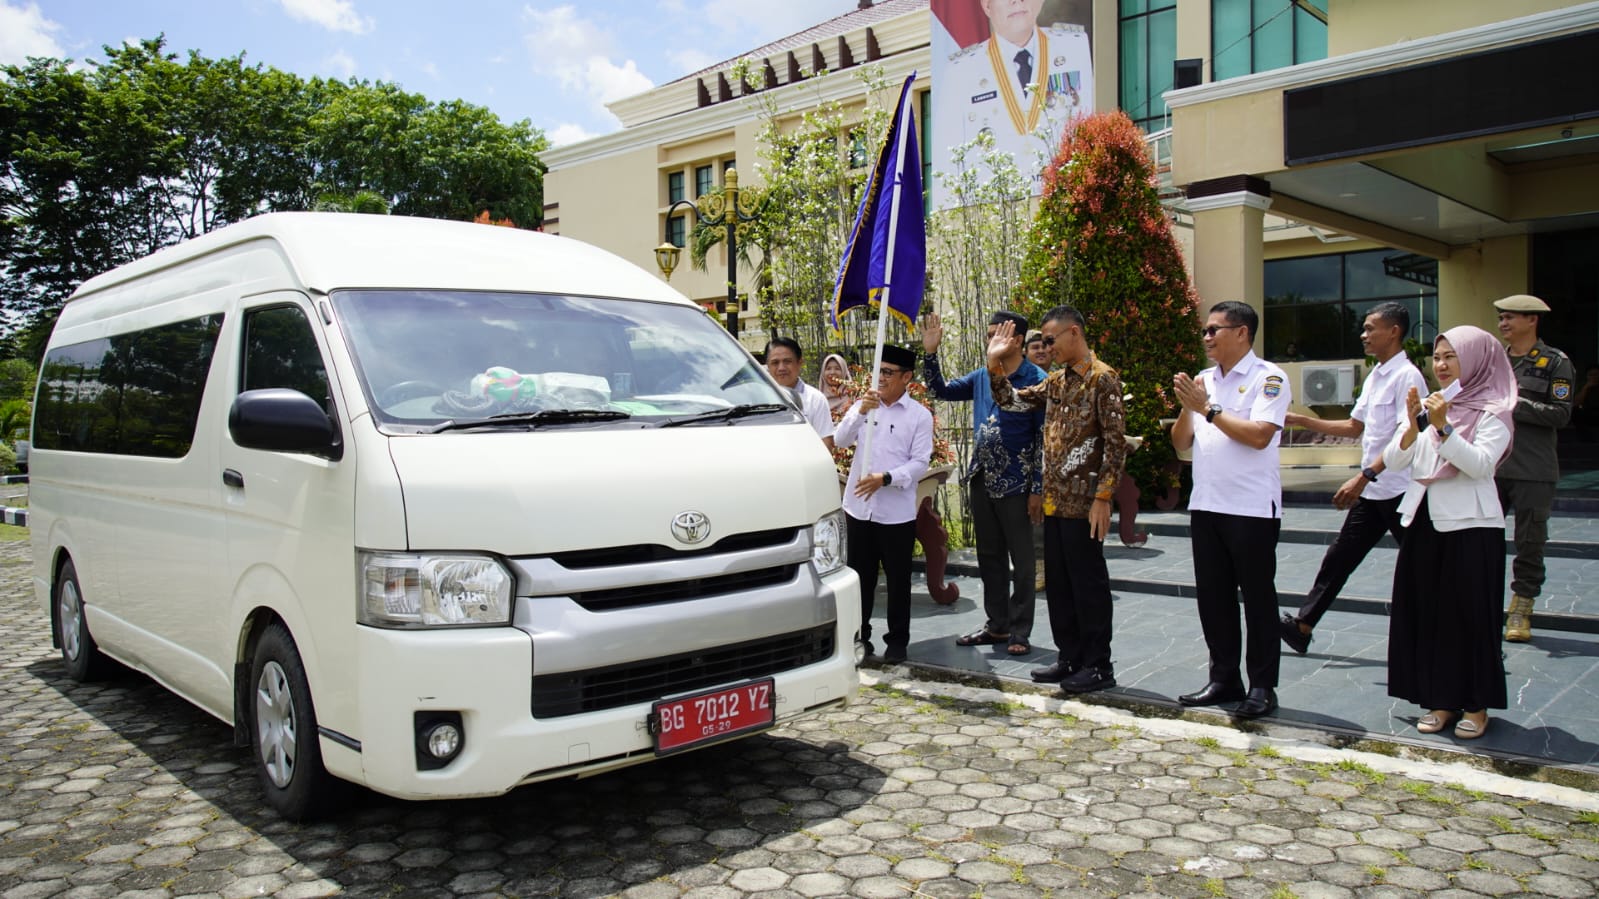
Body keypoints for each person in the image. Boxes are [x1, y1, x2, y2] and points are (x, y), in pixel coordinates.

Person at [1384, 326, 1516, 739]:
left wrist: (1444, 428)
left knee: (1470, 619)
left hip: (1471, 527)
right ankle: (1439, 700)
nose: (1440, 365)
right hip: (1425, 523)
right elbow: (1393, 460)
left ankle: (1475, 706)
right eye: (1437, 357)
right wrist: (1412, 427)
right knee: (1429, 615)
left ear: (1476, 359)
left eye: (1450, 357)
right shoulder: (1433, 405)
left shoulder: (1495, 410)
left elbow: (1480, 465)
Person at [987, 308, 1126, 694]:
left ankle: (1098, 665)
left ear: (1074, 333)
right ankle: (1070, 657)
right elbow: (1012, 402)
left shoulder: (1102, 378)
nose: (1046, 348)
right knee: (1061, 587)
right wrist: (994, 363)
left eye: (1051, 340)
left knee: (1088, 586)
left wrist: (1103, 497)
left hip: (1085, 504)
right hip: (1055, 502)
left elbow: (1115, 444)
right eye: (1043, 341)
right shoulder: (1057, 381)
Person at [1280, 303, 1429, 654]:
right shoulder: (1376, 375)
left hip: (1402, 492)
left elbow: (1405, 439)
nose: (1363, 335)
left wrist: (1363, 477)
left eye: (1370, 328)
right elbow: (1354, 426)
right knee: (1339, 558)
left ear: (1394, 331)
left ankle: (1468, 633)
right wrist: (1303, 421)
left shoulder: (1408, 377)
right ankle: (1303, 626)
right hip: (1374, 492)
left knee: (1427, 566)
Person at [1170, 301, 1290, 719]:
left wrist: (1208, 408)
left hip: (1250, 508)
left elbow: (1259, 436)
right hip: (1207, 504)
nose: (1206, 337)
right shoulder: (1203, 381)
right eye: (1205, 330)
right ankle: (1223, 678)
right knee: (1214, 598)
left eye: (1214, 330)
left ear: (1242, 333)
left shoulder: (1268, 377)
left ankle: (1262, 686)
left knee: (1257, 599)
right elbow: (1180, 443)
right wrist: (1189, 405)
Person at [922, 310, 1046, 656]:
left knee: (1022, 560)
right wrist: (930, 353)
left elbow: (1043, 439)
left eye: (998, 334)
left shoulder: (1036, 378)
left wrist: (1038, 488)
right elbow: (940, 391)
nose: (990, 340)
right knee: (989, 557)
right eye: (989, 334)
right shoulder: (981, 376)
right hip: (982, 477)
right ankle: (998, 625)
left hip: (1018, 483)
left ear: (1017, 340)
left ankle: (1020, 630)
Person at [833, 344, 934, 663]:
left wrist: (887, 478)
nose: (881, 378)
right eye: (878, 371)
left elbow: (920, 462)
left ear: (906, 377)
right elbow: (840, 440)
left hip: (896, 513)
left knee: (898, 580)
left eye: (888, 373)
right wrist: (860, 411)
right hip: (859, 509)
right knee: (859, 578)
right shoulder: (864, 406)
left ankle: (898, 641)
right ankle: (859, 637)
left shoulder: (919, 416)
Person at [939, 0, 1093, 191]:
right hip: (996, 203)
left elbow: (1089, 128)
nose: (1016, 1)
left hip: (1065, 196)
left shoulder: (1074, 47)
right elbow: (949, 168)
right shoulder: (961, 71)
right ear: (987, 5)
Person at [1493, 294, 1574, 643]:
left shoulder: (1555, 362)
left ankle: (1521, 608)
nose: (1503, 324)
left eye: (1510, 317)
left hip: (1532, 469)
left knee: (1529, 542)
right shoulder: (1495, 361)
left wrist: (1514, 404)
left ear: (1532, 320)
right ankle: (1481, 603)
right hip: (1492, 467)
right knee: (1481, 539)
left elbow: (1561, 414)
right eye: (1501, 318)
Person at [765, 337, 835, 448]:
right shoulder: (758, 400)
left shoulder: (815, 399)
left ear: (799, 363)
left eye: (787, 361)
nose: (781, 368)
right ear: (768, 366)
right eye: (775, 363)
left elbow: (826, 442)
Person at [818, 352, 852, 419]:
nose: (832, 372)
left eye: (837, 368)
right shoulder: (817, 399)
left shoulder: (853, 395)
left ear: (844, 371)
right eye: (828, 369)